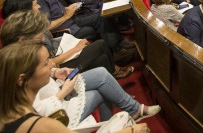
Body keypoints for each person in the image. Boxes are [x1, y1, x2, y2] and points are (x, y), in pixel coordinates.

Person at [0, 43, 158, 131]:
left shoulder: (10, 111)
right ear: (22, 80)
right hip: (60, 110)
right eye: (46, 63)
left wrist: (54, 73)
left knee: (100, 79)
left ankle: (128, 113)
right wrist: (130, 131)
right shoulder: (42, 125)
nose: (52, 64)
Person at [1, 4, 133, 79]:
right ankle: (114, 72)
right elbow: (53, 64)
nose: (39, 5)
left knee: (103, 58)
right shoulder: (25, 55)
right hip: (61, 72)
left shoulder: (29, 41)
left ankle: (113, 74)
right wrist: (76, 48)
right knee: (101, 45)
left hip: (60, 57)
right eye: (35, 4)